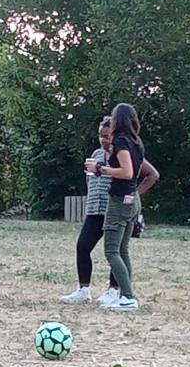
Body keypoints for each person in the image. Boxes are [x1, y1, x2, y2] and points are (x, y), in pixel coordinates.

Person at [63, 117, 159, 305]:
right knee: (83, 246)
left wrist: (133, 196)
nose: (103, 140)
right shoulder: (97, 154)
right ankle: (83, 289)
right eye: (100, 136)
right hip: (94, 209)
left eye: (107, 136)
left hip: (115, 207)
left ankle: (115, 291)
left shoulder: (123, 152)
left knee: (115, 250)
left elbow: (149, 174)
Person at [84, 103, 149, 311]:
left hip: (120, 199)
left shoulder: (121, 141)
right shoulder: (136, 142)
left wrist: (101, 169)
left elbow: (127, 172)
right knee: (123, 250)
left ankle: (128, 297)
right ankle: (125, 294)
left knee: (112, 251)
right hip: (133, 199)